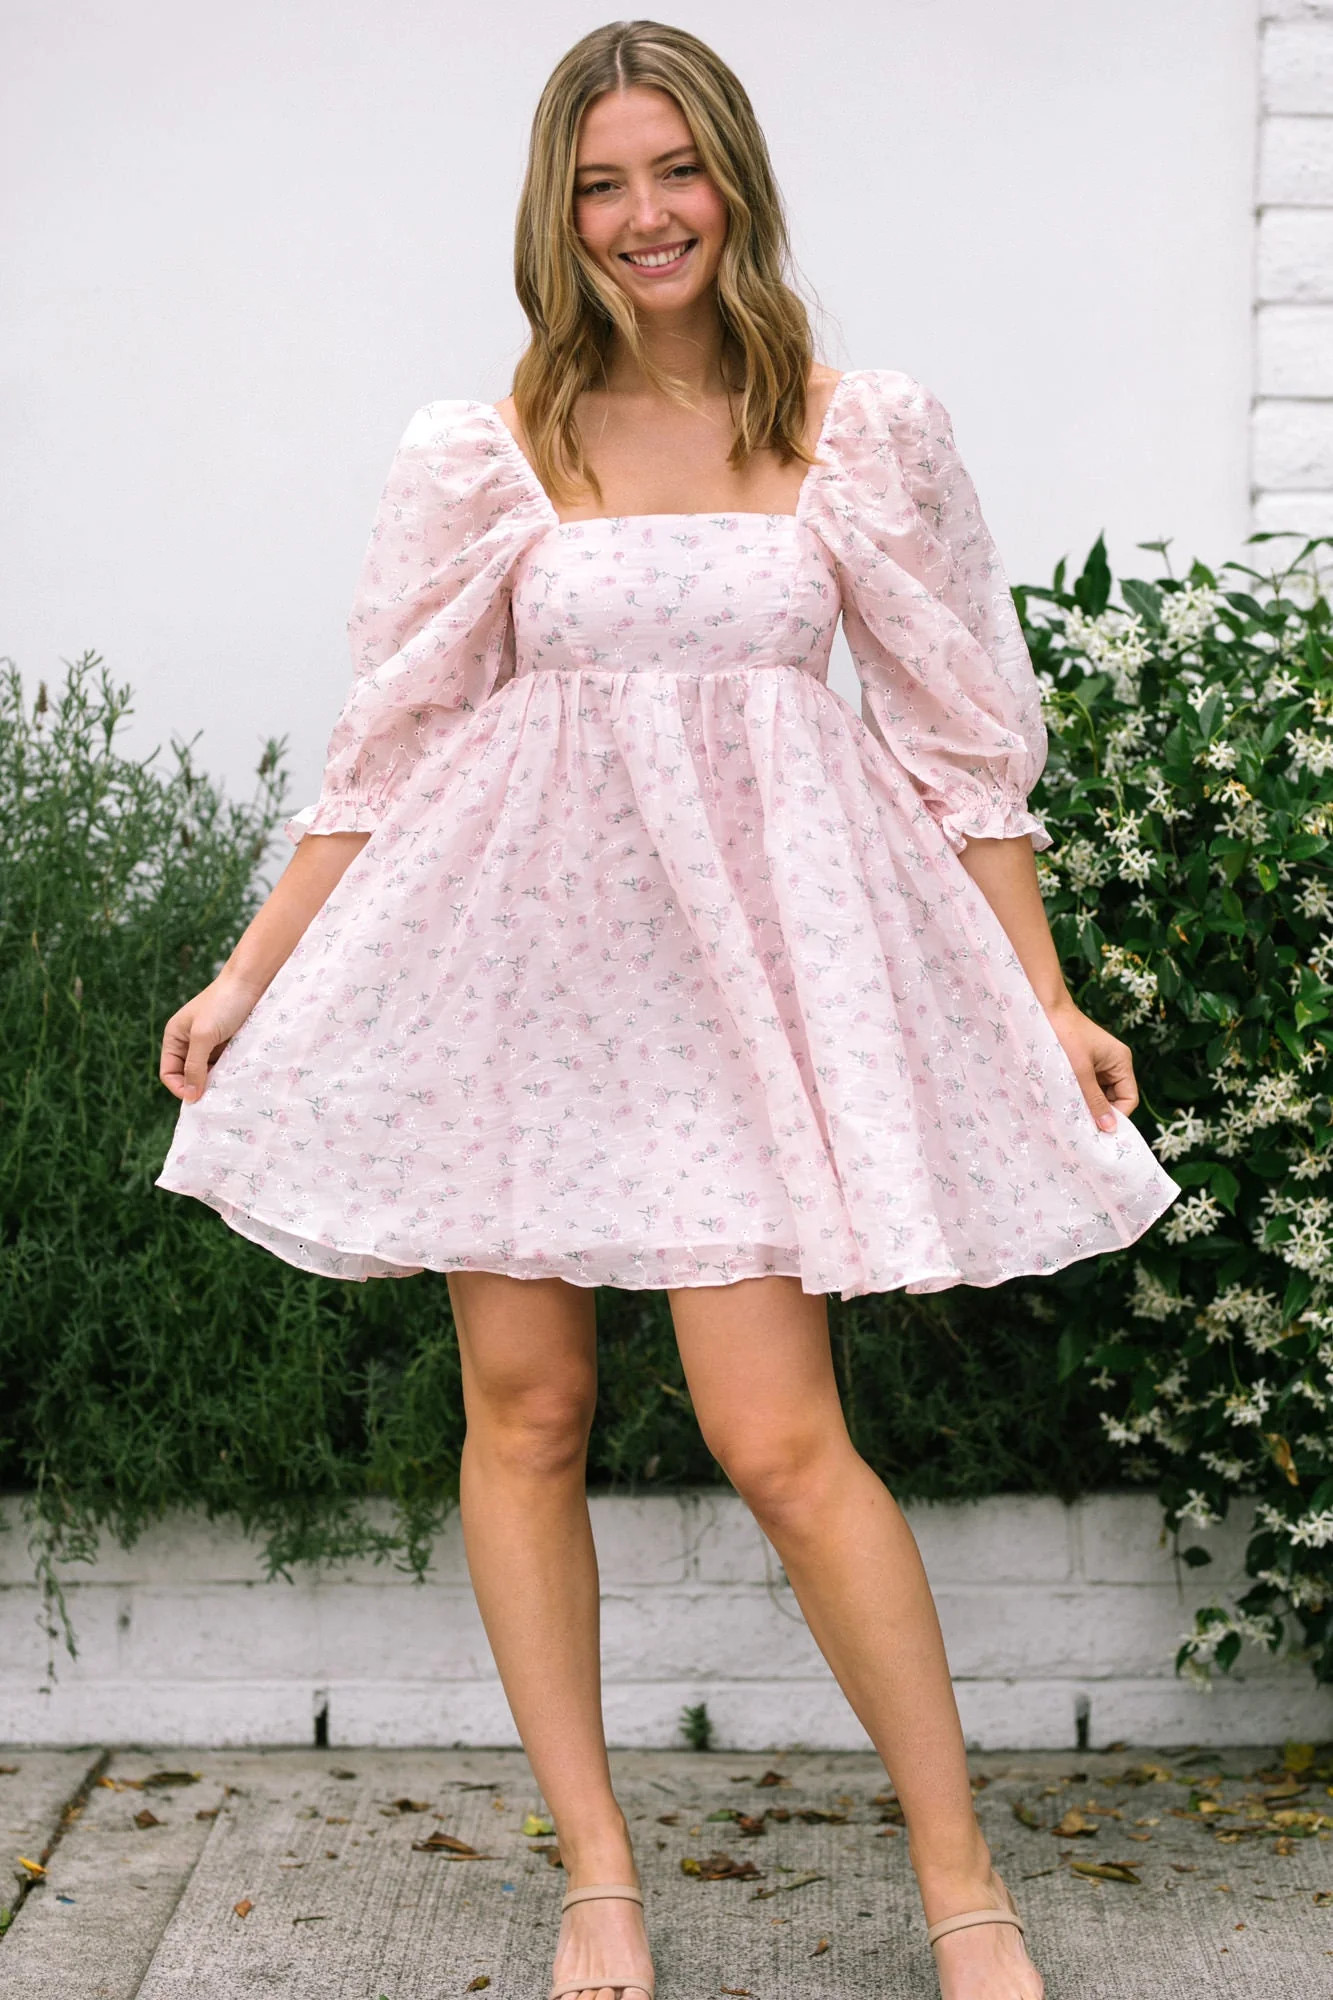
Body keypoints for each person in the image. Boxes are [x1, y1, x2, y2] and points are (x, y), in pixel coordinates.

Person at [157, 20, 1180, 2000]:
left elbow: (960, 739)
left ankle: (961, 1883)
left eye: (675, 169)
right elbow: (391, 740)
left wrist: (1043, 995)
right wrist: (250, 969)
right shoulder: (484, 454)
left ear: (735, 181)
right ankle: (600, 1877)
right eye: (601, 184)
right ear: (557, 214)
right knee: (528, 1412)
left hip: (748, 995)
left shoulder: (859, 432)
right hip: (522, 980)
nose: (645, 216)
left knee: (781, 1438)